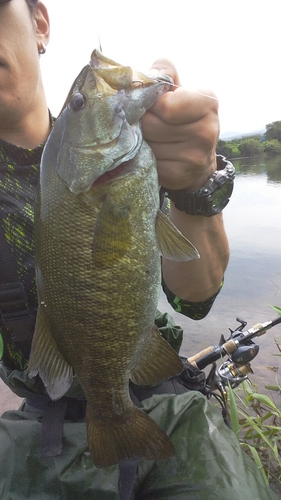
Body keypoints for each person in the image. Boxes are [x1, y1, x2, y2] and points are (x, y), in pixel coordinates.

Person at [0, 1, 277, 499]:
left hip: (160, 400)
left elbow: (196, 298)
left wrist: (196, 185)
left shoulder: (127, 150)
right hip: (36, 424)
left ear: (39, 23)